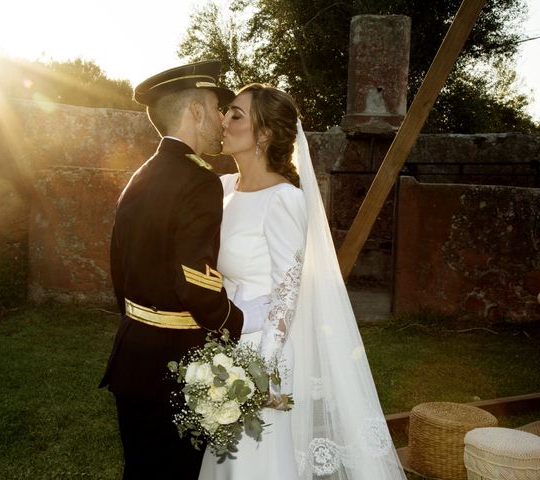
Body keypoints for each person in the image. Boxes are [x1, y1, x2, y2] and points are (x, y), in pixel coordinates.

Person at [198, 84, 407, 480]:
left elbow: (286, 291)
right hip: (224, 340)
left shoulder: (283, 199)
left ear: (264, 135)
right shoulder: (224, 189)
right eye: (226, 112)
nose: (224, 121)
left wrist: (259, 370)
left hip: (261, 352)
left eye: (237, 115)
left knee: (252, 465)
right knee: (227, 462)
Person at [98, 60, 245, 480]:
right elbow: (195, 282)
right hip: (175, 365)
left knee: (141, 469)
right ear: (196, 111)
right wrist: (235, 322)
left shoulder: (142, 174)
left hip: (131, 352)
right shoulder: (200, 181)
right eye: (218, 108)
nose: (222, 120)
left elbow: (119, 267)